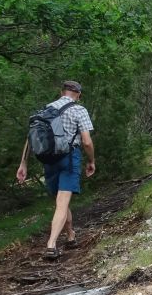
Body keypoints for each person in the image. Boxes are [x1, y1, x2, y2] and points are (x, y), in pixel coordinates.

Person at [16, 80, 96, 260]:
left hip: (49, 159)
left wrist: (23, 164)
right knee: (62, 202)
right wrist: (91, 161)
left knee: (60, 201)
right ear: (78, 95)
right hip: (69, 158)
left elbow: (31, 138)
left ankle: (70, 235)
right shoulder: (79, 110)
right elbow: (86, 141)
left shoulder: (46, 110)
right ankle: (51, 244)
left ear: (62, 92)